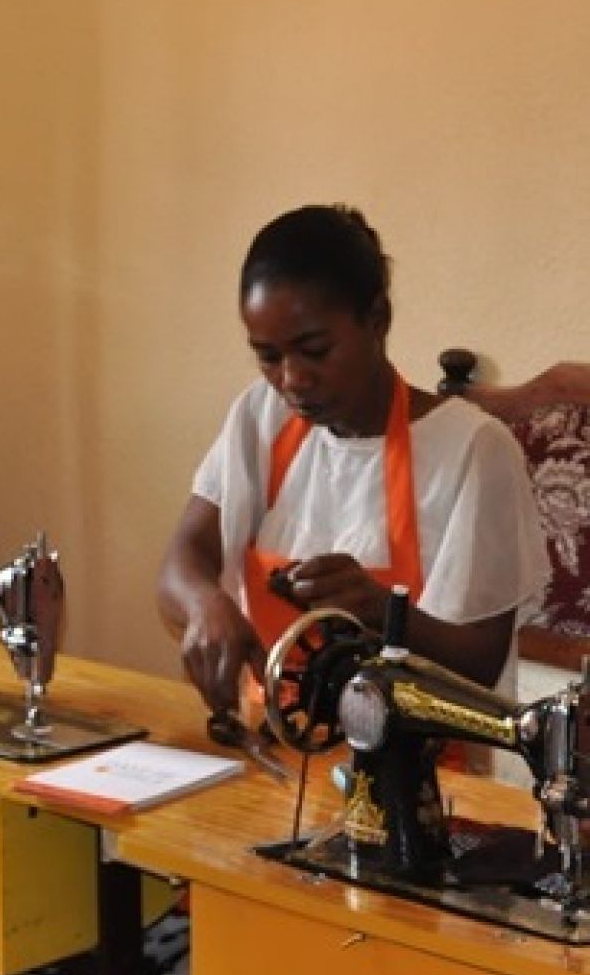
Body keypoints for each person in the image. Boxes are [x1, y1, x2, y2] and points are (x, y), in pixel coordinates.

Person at [159, 203, 550, 710]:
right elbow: (183, 559)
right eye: (269, 357)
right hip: (278, 743)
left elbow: (479, 663)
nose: (292, 380)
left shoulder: (474, 452)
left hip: (420, 768)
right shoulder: (260, 417)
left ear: (378, 320)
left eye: (315, 350)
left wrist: (380, 610)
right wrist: (205, 604)